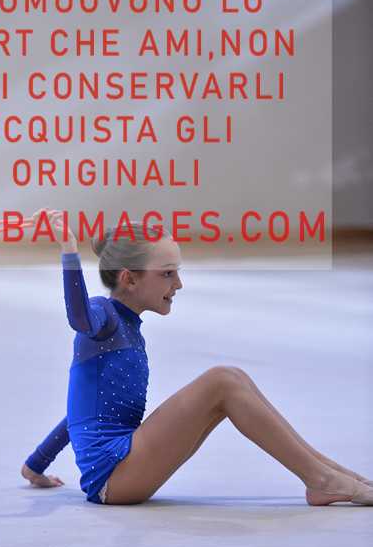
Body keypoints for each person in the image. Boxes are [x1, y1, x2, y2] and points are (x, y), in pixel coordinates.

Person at [22, 209, 373, 506]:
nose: (178, 284)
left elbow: (79, 413)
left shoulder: (126, 329)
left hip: (123, 465)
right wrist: (68, 250)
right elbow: (79, 318)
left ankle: (330, 473)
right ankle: (321, 480)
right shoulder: (102, 316)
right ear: (129, 279)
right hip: (114, 475)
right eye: (167, 273)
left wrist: (35, 464)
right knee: (222, 380)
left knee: (233, 379)